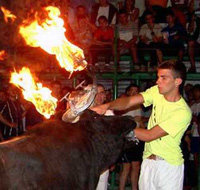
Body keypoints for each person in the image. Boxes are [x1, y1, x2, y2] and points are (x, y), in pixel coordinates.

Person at [91, 60, 192, 189]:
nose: (157, 81)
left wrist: (115, 124)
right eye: (158, 77)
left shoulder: (183, 112)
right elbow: (128, 101)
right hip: (148, 163)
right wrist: (106, 106)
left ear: (177, 81)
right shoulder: (156, 92)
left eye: (163, 78)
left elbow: (149, 135)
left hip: (168, 167)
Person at [118, 84, 145, 190]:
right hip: (127, 138)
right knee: (126, 167)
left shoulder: (138, 105)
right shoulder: (124, 104)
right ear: (128, 92)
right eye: (132, 90)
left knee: (136, 166)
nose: (134, 93)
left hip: (138, 138)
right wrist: (134, 119)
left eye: (136, 91)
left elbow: (140, 122)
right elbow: (121, 122)